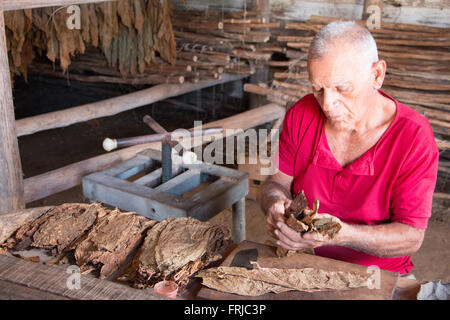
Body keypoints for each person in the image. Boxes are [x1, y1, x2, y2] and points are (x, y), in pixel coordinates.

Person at [260, 20, 439, 274]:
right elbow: (275, 183)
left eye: (341, 89)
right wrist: (276, 205)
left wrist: (341, 234)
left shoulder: (413, 137)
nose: (328, 104)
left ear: (377, 75)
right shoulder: (301, 115)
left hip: (379, 276)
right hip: (310, 264)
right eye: (318, 89)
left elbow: (411, 236)